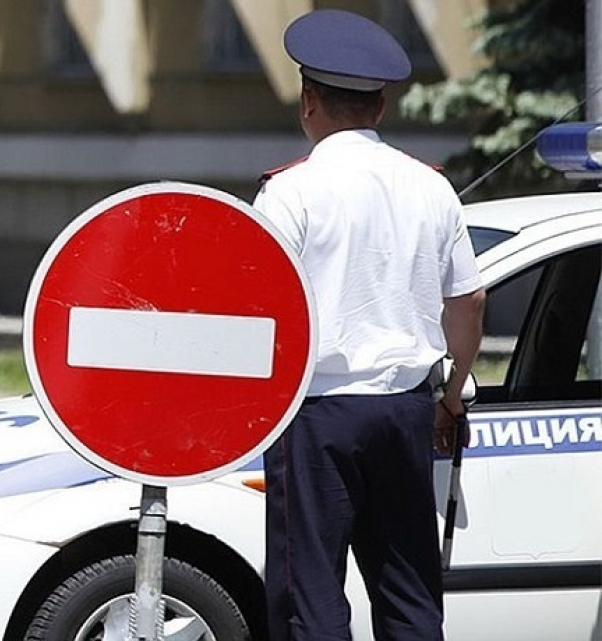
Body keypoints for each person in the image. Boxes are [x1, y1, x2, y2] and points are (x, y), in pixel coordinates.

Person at [254, 9, 486, 641]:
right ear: (380, 107)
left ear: (308, 103)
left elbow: (262, 311)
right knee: (410, 592)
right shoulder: (431, 188)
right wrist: (450, 395)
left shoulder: (288, 195)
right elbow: (468, 303)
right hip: (407, 412)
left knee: (312, 598)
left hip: (318, 416)